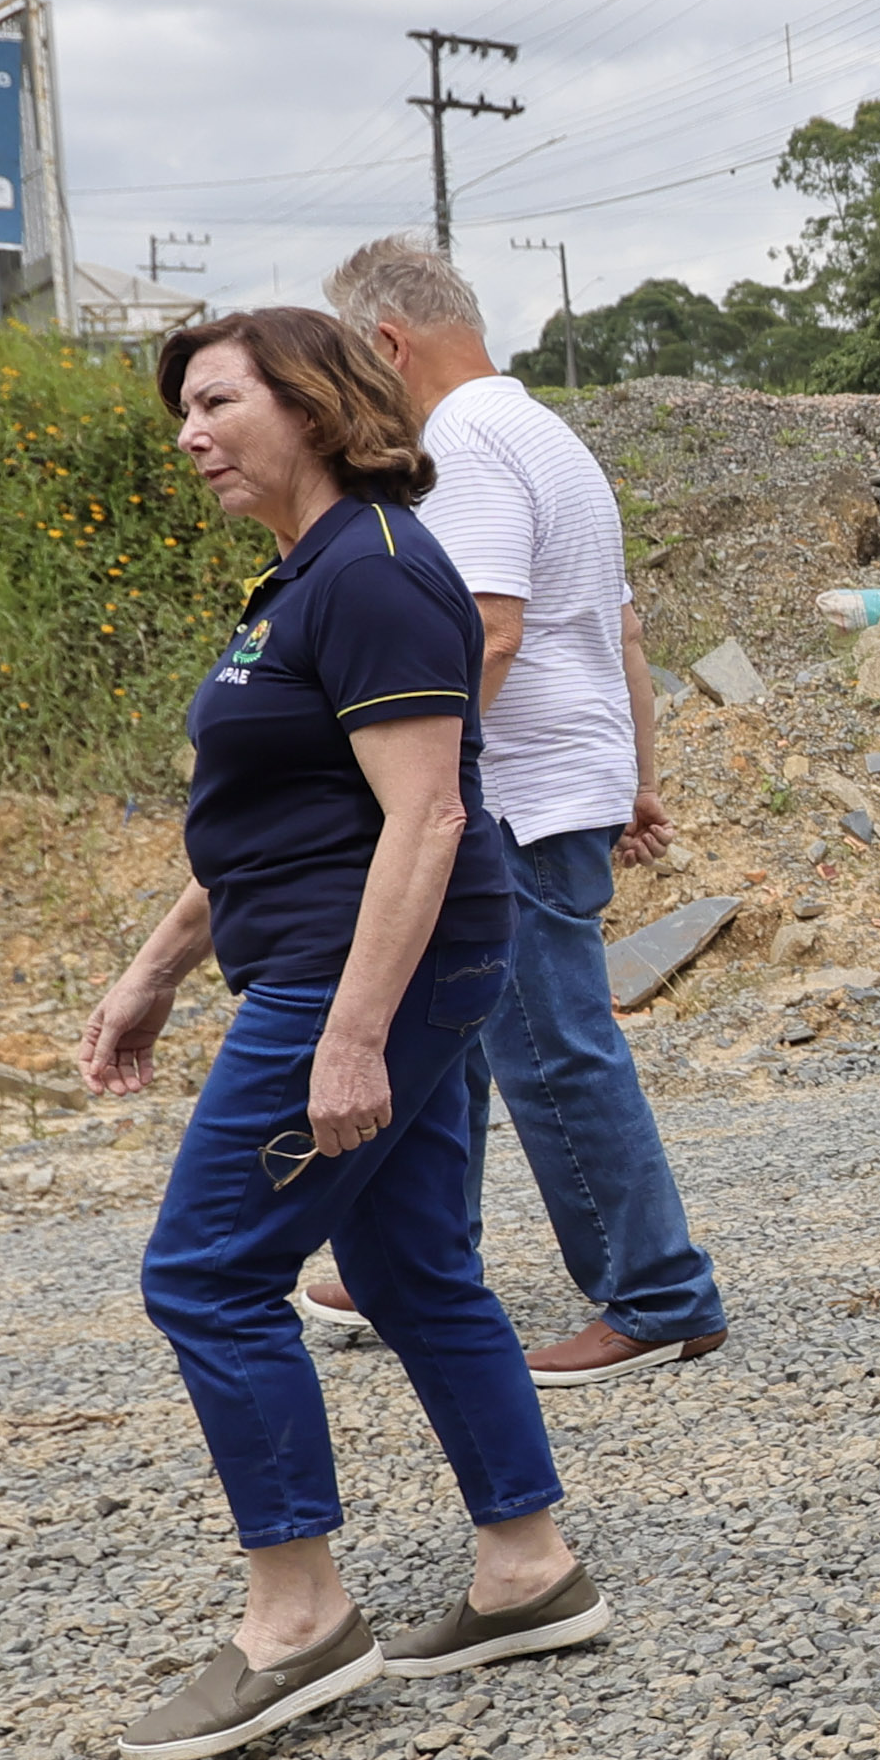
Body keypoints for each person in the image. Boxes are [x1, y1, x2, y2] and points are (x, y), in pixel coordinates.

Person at [87, 310, 612, 1760]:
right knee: (406, 1259)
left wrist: (351, 1035)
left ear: (310, 402)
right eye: (180, 410)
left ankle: (298, 1615)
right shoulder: (308, 578)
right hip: (349, 961)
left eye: (212, 401)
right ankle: (525, 1568)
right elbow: (274, 818)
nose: (187, 433)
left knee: (206, 1271)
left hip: (360, 973)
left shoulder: (376, 572)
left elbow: (428, 814)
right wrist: (154, 971)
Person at [291, 236, 735, 1389]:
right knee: (457, 1042)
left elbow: (490, 630)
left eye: (353, 360)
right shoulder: (547, 432)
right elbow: (622, 630)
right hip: (556, 780)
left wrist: (417, 780)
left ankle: (656, 1294)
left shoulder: (465, 445)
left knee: (548, 1048)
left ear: (386, 343)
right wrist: (636, 775)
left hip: (515, 798)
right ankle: (414, 1266)